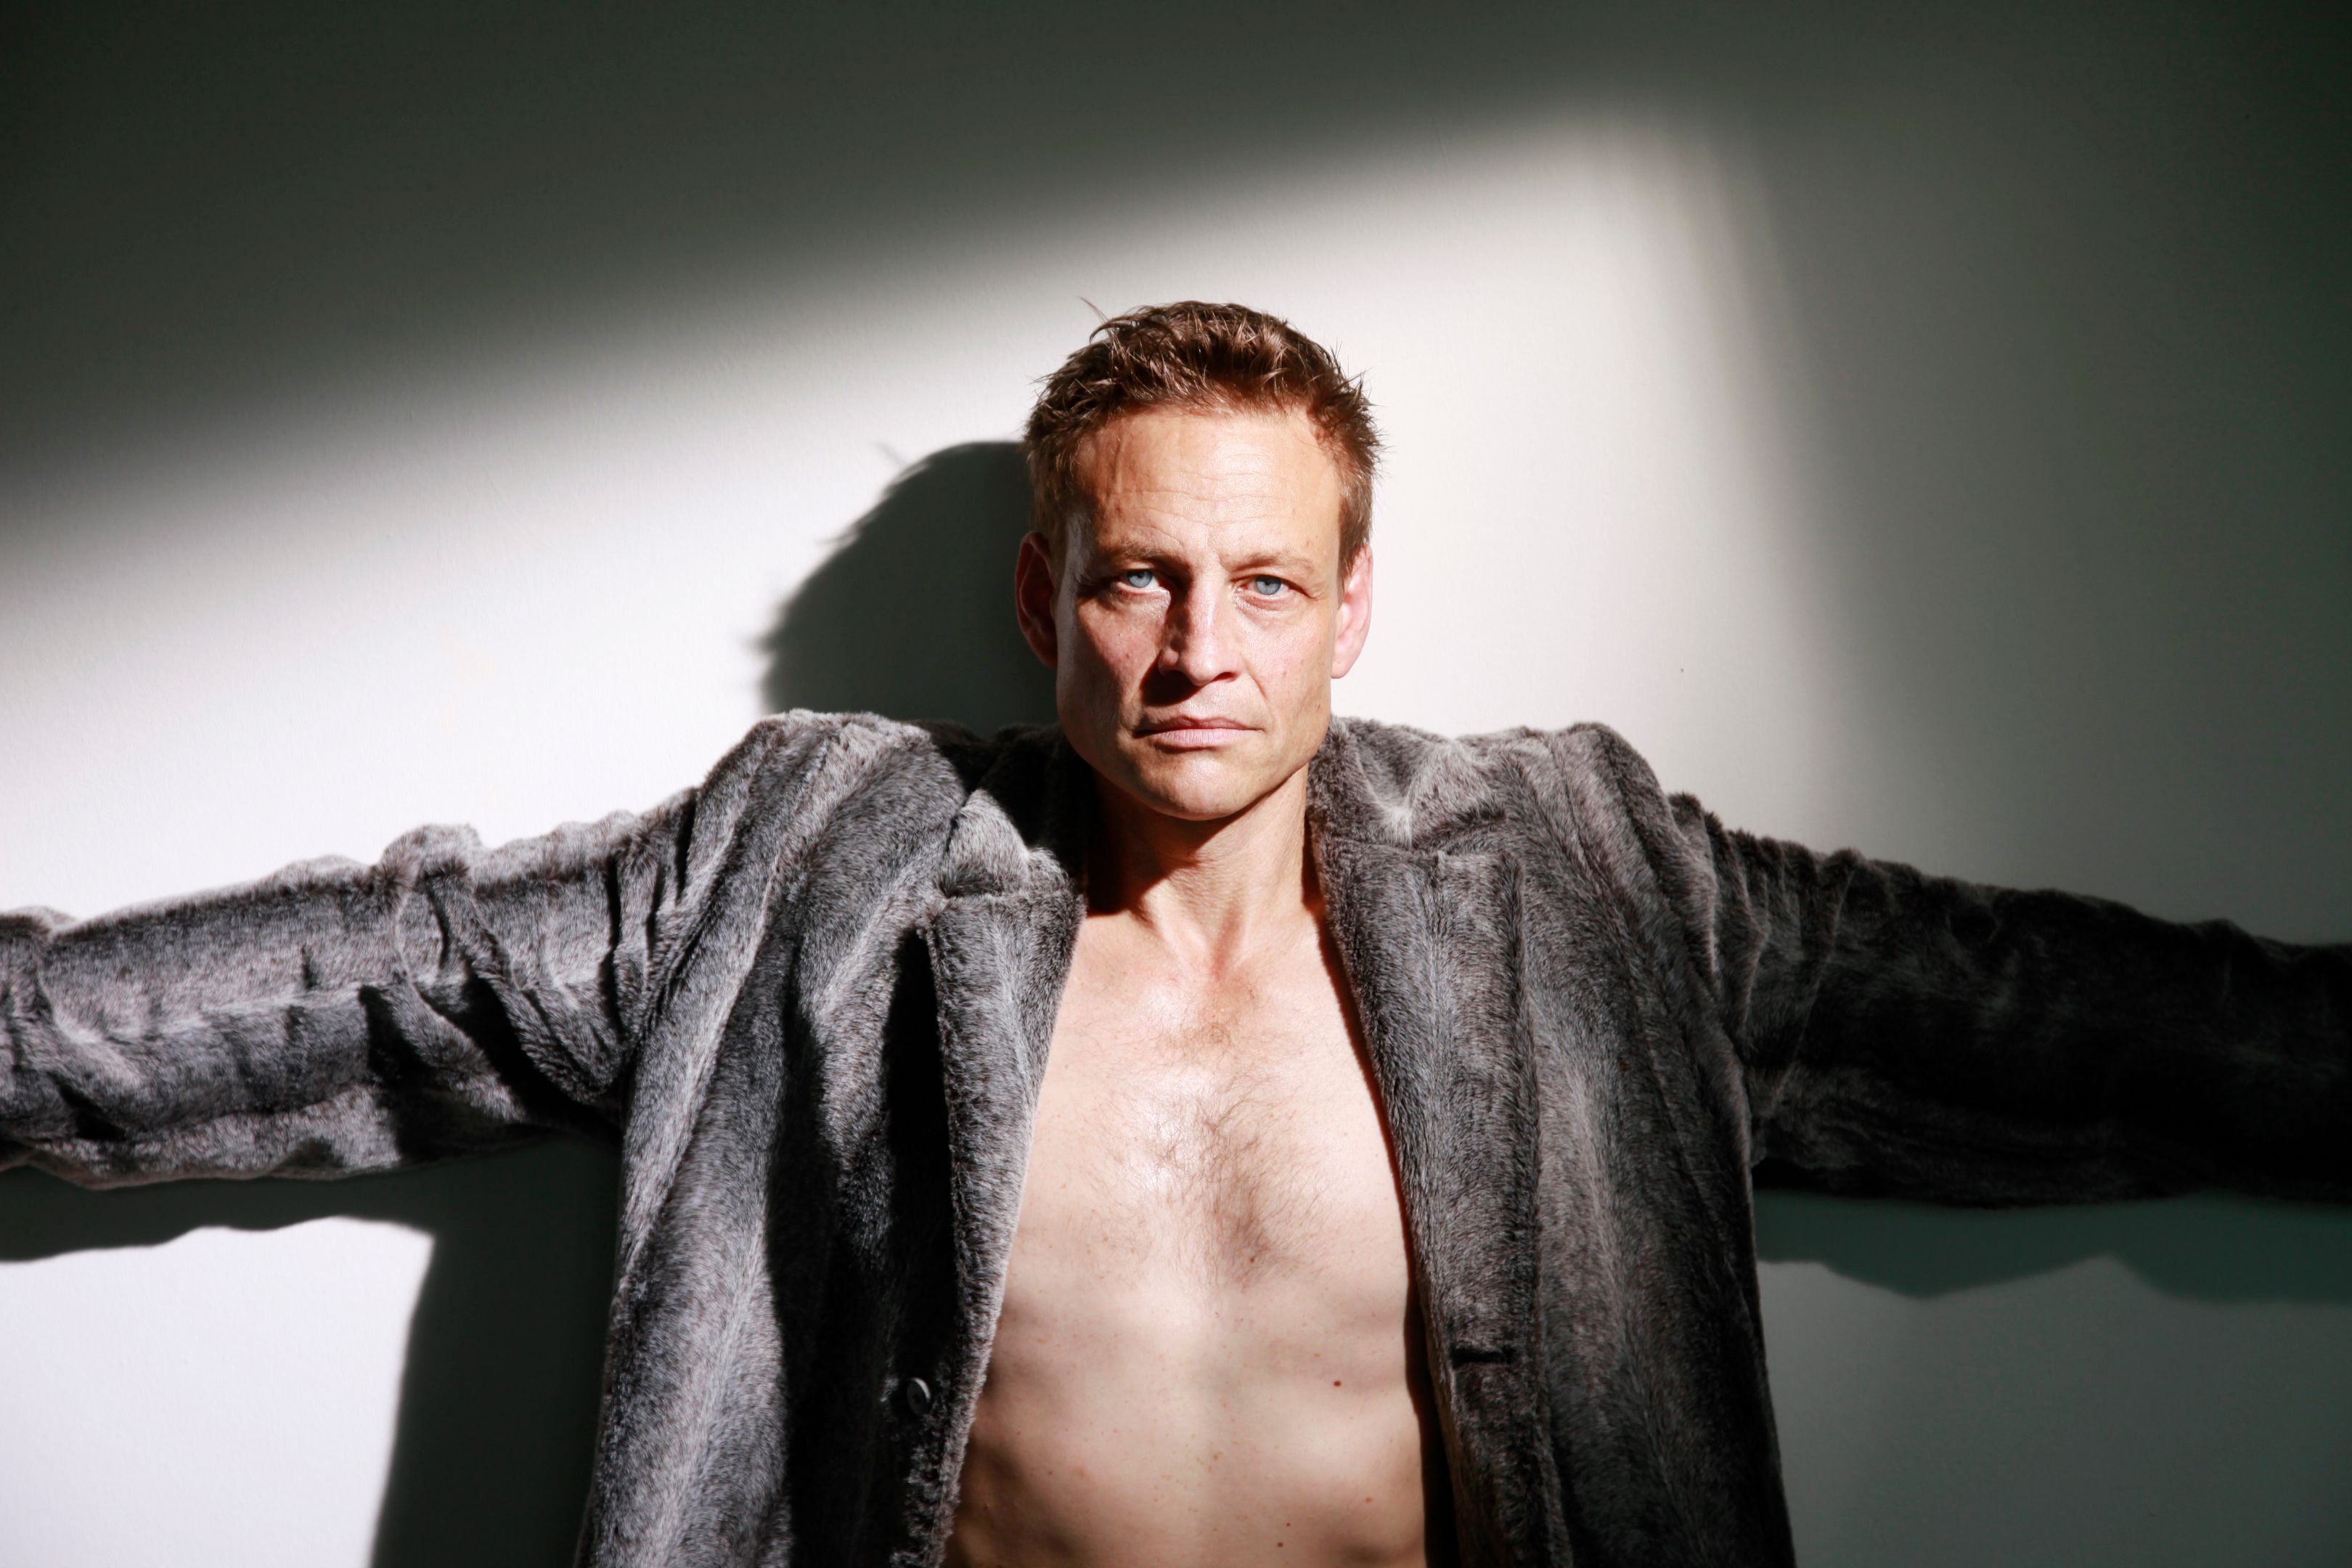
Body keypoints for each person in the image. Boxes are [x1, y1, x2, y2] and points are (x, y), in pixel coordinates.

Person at [2, 301, 2345, 1568]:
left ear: (1353, 611)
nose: (1200, 650)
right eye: (1138, 578)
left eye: (1266, 585)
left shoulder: (1585, 875)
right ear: (1046, 598)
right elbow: (371, 980)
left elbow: (2052, 1021)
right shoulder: (819, 861)